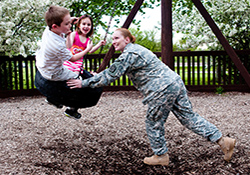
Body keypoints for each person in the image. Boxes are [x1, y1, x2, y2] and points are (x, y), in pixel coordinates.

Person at [67, 28, 236, 165]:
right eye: (112, 39)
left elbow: (110, 76)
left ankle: (161, 156)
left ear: (127, 39)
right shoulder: (136, 50)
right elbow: (111, 72)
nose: (114, 41)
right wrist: (94, 76)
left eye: (117, 38)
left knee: (153, 122)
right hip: (174, 83)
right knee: (189, 117)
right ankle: (222, 140)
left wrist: (83, 83)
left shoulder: (129, 55)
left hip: (161, 89)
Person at [35, 5, 100, 120]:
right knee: (77, 79)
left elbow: (60, 22)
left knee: (75, 74)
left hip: (42, 64)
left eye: (69, 22)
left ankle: (53, 99)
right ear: (55, 26)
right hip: (53, 73)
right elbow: (73, 58)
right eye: (67, 24)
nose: (70, 25)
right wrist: (87, 49)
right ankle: (66, 106)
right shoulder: (57, 45)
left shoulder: (49, 29)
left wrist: (70, 20)